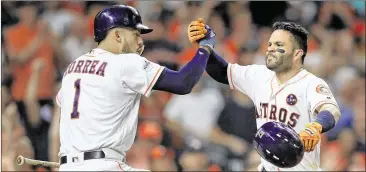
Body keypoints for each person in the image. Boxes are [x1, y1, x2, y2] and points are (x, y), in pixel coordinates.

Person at [55, 5, 215, 171]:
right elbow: (184, 82)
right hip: (105, 164)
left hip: (69, 165)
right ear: (117, 35)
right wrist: (205, 49)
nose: (140, 41)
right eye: (135, 34)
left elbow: (64, 107)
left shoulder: (73, 67)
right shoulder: (125, 62)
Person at [188, 20, 341, 171]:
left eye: (279, 45)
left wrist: (316, 126)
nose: (271, 49)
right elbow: (222, 72)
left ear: (297, 53)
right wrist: (205, 46)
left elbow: (330, 109)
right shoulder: (259, 75)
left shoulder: (310, 83)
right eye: (270, 44)